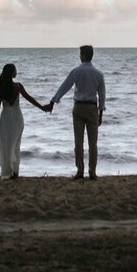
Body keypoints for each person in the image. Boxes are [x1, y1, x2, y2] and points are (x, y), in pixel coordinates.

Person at [47, 45, 106, 180]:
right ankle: (92, 172)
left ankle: (80, 170)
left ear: (84, 55)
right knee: (93, 143)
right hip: (92, 108)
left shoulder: (76, 71)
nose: (79, 56)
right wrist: (101, 113)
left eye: (80, 54)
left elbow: (65, 86)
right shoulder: (98, 74)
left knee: (78, 142)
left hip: (78, 108)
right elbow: (102, 95)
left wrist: (53, 101)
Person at [0, 62, 49, 179]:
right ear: (11, 73)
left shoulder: (0, 88)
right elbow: (29, 98)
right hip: (17, 117)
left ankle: (7, 170)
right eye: (15, 70)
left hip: (5, 117)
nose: (17, 72)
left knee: (6, 144)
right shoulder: (18, 86)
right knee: (15, 145)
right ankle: (15, 172)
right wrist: (41, 107)